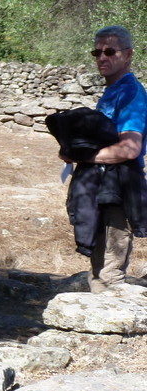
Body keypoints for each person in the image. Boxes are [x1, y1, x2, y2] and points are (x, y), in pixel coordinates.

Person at [56, 26, 147, 293]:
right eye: (97, 52)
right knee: (99, 269)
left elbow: (129, 149)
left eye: (110, 51)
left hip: (116, 191)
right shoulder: (113, 91)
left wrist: (83, 156)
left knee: (108, 271)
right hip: (102, 186)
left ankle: (113, 329)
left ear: (128, 54)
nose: (101, 57)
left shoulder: (130, 94)